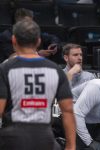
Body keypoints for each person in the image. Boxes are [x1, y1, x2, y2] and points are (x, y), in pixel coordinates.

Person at [0, 19, 76, 150]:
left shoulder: (5, 69)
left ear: (13, 40)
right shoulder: (56, 70)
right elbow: (68, 111)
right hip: (44, 137)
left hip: (12, 139)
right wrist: (71, 146)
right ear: (38, 41)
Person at [73, 79, 100, 150]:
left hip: (96, 121)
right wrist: (90, 142)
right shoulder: (96, 88)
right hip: (73, 119)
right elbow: (76, 114)